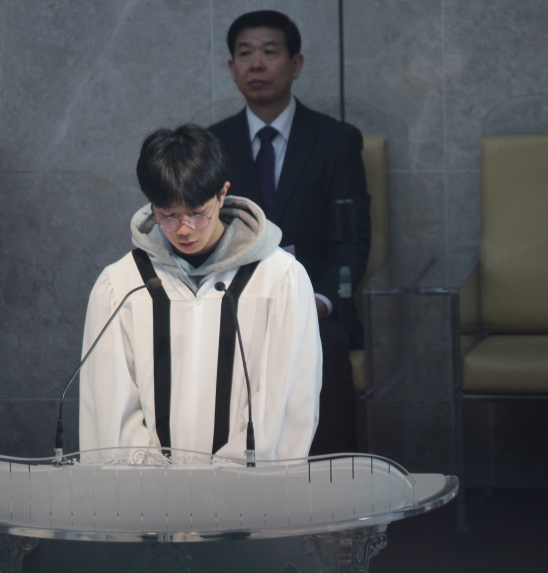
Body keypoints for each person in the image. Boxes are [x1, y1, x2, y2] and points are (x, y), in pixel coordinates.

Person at [79, 124, 321, 461]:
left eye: (197, 214)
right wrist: (157, 482)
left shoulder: (278, 279)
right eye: (168, 216)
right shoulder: (121, 285)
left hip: (247, 489)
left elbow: (286, 402)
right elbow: (110, 410)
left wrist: (222, 481)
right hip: (149, 490)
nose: (184, 230)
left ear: (222, 193)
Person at [208, 10, 370, 455]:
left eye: (269, 52)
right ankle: (224, 478)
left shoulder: (337, 140)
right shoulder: (212, 145)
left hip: (315, 309)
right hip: (235, 302)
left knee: (326, 346)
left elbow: (351, 239)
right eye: (245, 54)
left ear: (296, 64)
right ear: (232, 68)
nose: (256, 64)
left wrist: (317, 301)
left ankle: (329, 480)